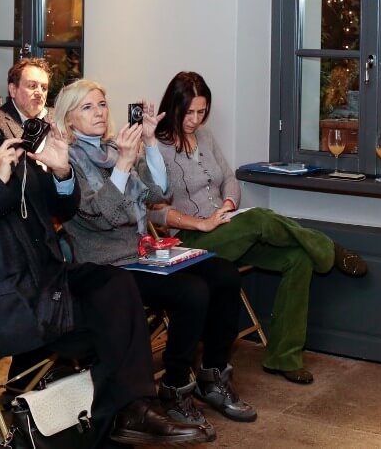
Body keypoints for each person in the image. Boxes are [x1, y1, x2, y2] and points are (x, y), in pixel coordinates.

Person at [0, 65, 208, 447]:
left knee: (117, 284)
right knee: (111, 321)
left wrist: (61, 173)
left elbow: (63, 208)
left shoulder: (11, 141)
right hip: (0, 296)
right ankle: (122, 415)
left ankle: (132, 408)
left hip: (46, 277)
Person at [55, 79, 255, 434]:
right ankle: (175, 387)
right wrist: (123, 165)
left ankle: (213, 374)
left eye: (101, 104)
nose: (99, 112)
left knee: (224, 274)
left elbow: (158, 193)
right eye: (87, 107)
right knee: (192, 293)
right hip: (107, 266)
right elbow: (106, 216)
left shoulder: (114, 149)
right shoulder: (66, 163)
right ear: (69, 119)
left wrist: (148, 143)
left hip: (142, 251)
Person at [153, 71, 368, 385]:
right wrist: (202, 222)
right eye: (189, 113)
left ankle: (283, 357)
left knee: (298, 258)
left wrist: (228, 205)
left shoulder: (205, 137)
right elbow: (154, 210)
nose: (196, 120)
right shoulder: (155, 147)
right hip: (189, 240)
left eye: (202, 112)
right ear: (173, 106)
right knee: (259, 219)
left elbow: (229, 179)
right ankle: (327, 247)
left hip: (226, 229)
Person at [0, 57, 52, 140]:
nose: (40, 93)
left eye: (44, 88)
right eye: (32, 86)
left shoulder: (57, 118)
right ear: (13, 90)